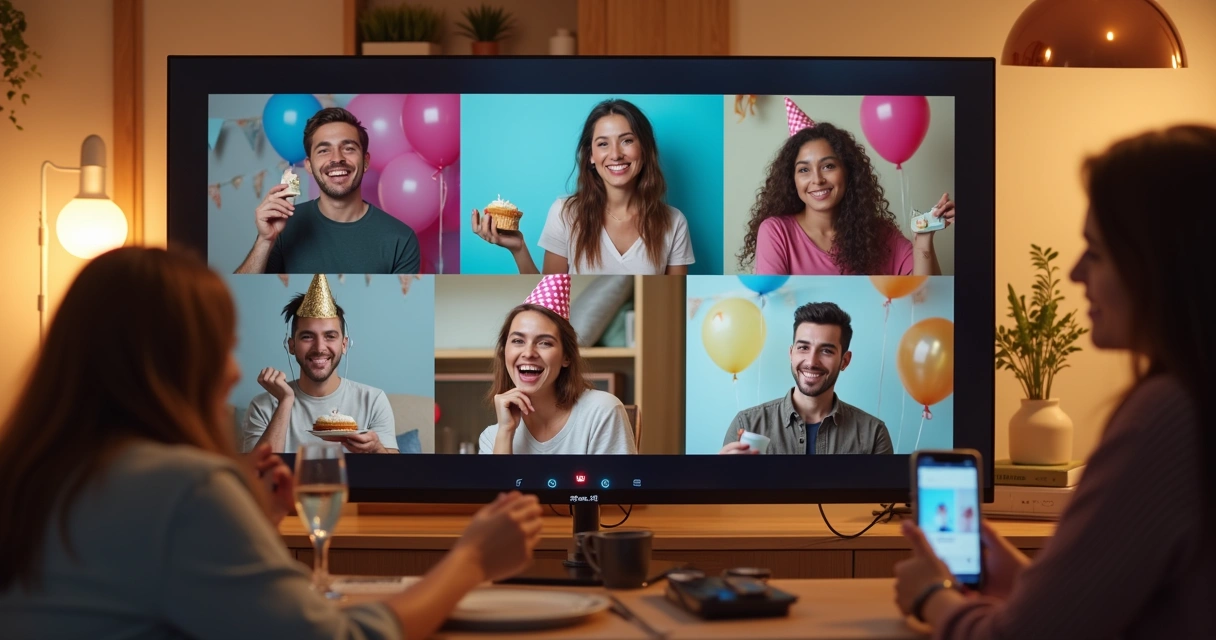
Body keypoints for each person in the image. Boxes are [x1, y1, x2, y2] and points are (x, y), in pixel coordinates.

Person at [0, 247, 544, 640]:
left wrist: (251, 523)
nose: (232, 369)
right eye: (223, 349)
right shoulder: (186, 486)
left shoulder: (36, 472)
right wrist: (472, 558)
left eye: (330, 335)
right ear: (171, 362)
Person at [893, 125, 1216, 638]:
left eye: (1098, 252)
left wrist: (933, 596)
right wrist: (1030, 584)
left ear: (1163, 266)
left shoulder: (1169, 415)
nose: (1074, 273)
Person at [471, 98, 695, 275]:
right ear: (591, 156)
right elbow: (550, 300)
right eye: (603, 144)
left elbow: (674, 300)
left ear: (644, 150)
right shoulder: (565, 213)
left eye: (627, 140)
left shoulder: (674, 223)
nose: (616, 154)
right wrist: (518, 248)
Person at [737, 98, 955, 276]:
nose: (817, 179)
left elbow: (925, 298)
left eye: (828, 166)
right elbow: (772, 311)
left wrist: (924, 239)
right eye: (804, 170)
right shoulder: (777, 232)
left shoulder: (880, 234)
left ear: (848, 171)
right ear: (790, 179)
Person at [236, 107, 421, 274]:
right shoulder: (283, 227)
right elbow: (241, 297)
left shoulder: (401, 239)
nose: (337, 158)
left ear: (365, 162)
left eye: (348, 148)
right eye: (324, 150)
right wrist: (265, 240)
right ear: (309, 165)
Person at [479, 274, 637, 454]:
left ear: (566, 357)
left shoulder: (601, 411)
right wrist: (506, 433)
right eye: (518, 341)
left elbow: (615, 482)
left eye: (544, 343)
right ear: (503, 351)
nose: (529, 353)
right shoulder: (492, 437)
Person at [243, 274, 398, 454]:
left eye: (330, 336)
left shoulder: (373, 400)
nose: (319, 348)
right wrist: (285, 401)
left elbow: (395, 475)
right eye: (307, 337)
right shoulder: (263, 405)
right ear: (291, 345)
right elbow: (257, 476)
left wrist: (376, 448)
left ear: (344, 344)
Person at [719, 301, 892, 455]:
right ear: (791, 353)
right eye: (803, 347)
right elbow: (725, 490)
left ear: (844, 361)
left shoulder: (874, 434)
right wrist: (725, 477)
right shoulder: (747, 424)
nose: (811, 361)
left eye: (826, 351)